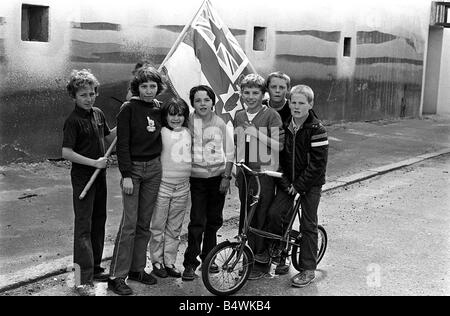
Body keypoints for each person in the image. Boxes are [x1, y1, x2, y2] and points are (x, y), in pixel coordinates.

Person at [108, 66, 165, 295]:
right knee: (129, 224)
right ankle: (116, 275)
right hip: (134, 171)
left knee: (144, 223)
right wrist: (126, 175)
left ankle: (137, 268)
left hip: (153, 169)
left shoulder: (159, 108)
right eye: (144, 86)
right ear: (137, 88)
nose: (149, 91)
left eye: (153, 86)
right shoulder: (128, 109)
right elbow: (122, 145)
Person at [266, 84, 328, 287]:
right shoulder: (284, 126)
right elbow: (279, 159)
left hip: (310, 184)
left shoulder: (317, 130)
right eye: (293, 102)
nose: (297, 106)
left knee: (308, 224)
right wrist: (286, 183)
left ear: (310, 105)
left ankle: (308, 268)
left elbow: (317, 165)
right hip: (288, 181)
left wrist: (299, 186)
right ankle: (279, 249)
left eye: (302, 103)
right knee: (275, 213)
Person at [62, 69, 117, 296]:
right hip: (83, 177)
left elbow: (108, 137)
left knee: (99, 221)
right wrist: (94, 163)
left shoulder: (98, 114)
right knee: (83, 227)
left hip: (99, 176)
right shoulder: (72, 121)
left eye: (92, 93)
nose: (89, 98)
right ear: (74, 97)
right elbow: (66, 152)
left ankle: (93, 268)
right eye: (83, 95)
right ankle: (79, 277)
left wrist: (123, 122)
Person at [182, 85, 235, 281]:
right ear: (192, 103)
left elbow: (230, 152)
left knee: (214, 221)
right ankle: (189, 263)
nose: (202, 103)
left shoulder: (219, 123)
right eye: (198, 100)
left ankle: (209, 258)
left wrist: (226, 177)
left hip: (217, 180)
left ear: (213, 102)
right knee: (197, 221)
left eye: (206, 100)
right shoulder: (188, 121)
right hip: (197, 180)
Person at [234, 74, 284, 280]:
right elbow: (238, 144)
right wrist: (236, 170)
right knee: (246, 216)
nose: (251, 97)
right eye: (247, 92)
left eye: (255, 93)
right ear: (241, 94)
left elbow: (279, 145)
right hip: (245, 172)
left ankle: (261, 262)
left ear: (263, 94)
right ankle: (245, 257)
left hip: (264, 173)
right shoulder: (238, 115)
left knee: (260, 215)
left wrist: (256, 133)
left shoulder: (271, 115)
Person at [149, 98, 192, 279]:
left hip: (183, 186)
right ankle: (156, 261)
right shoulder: (160, 132)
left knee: (175, 228)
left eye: (180, 114)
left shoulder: (190, 132)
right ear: (165, 115)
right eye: (172, 114)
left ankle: (170, 261)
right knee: (158, 225)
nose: (176, 118)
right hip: (163, 186)